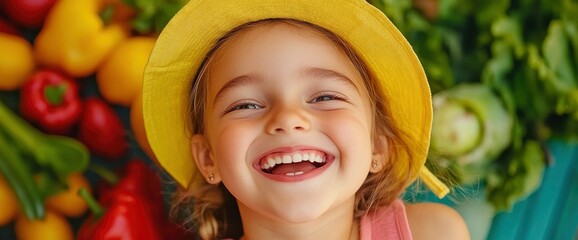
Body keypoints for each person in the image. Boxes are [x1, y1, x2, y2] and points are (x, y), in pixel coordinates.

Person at [142, 0, 470, 239]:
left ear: (377, 145)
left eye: (324, 98)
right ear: (208, 157)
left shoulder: (432, 232)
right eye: (245, 105)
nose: (288, 118)